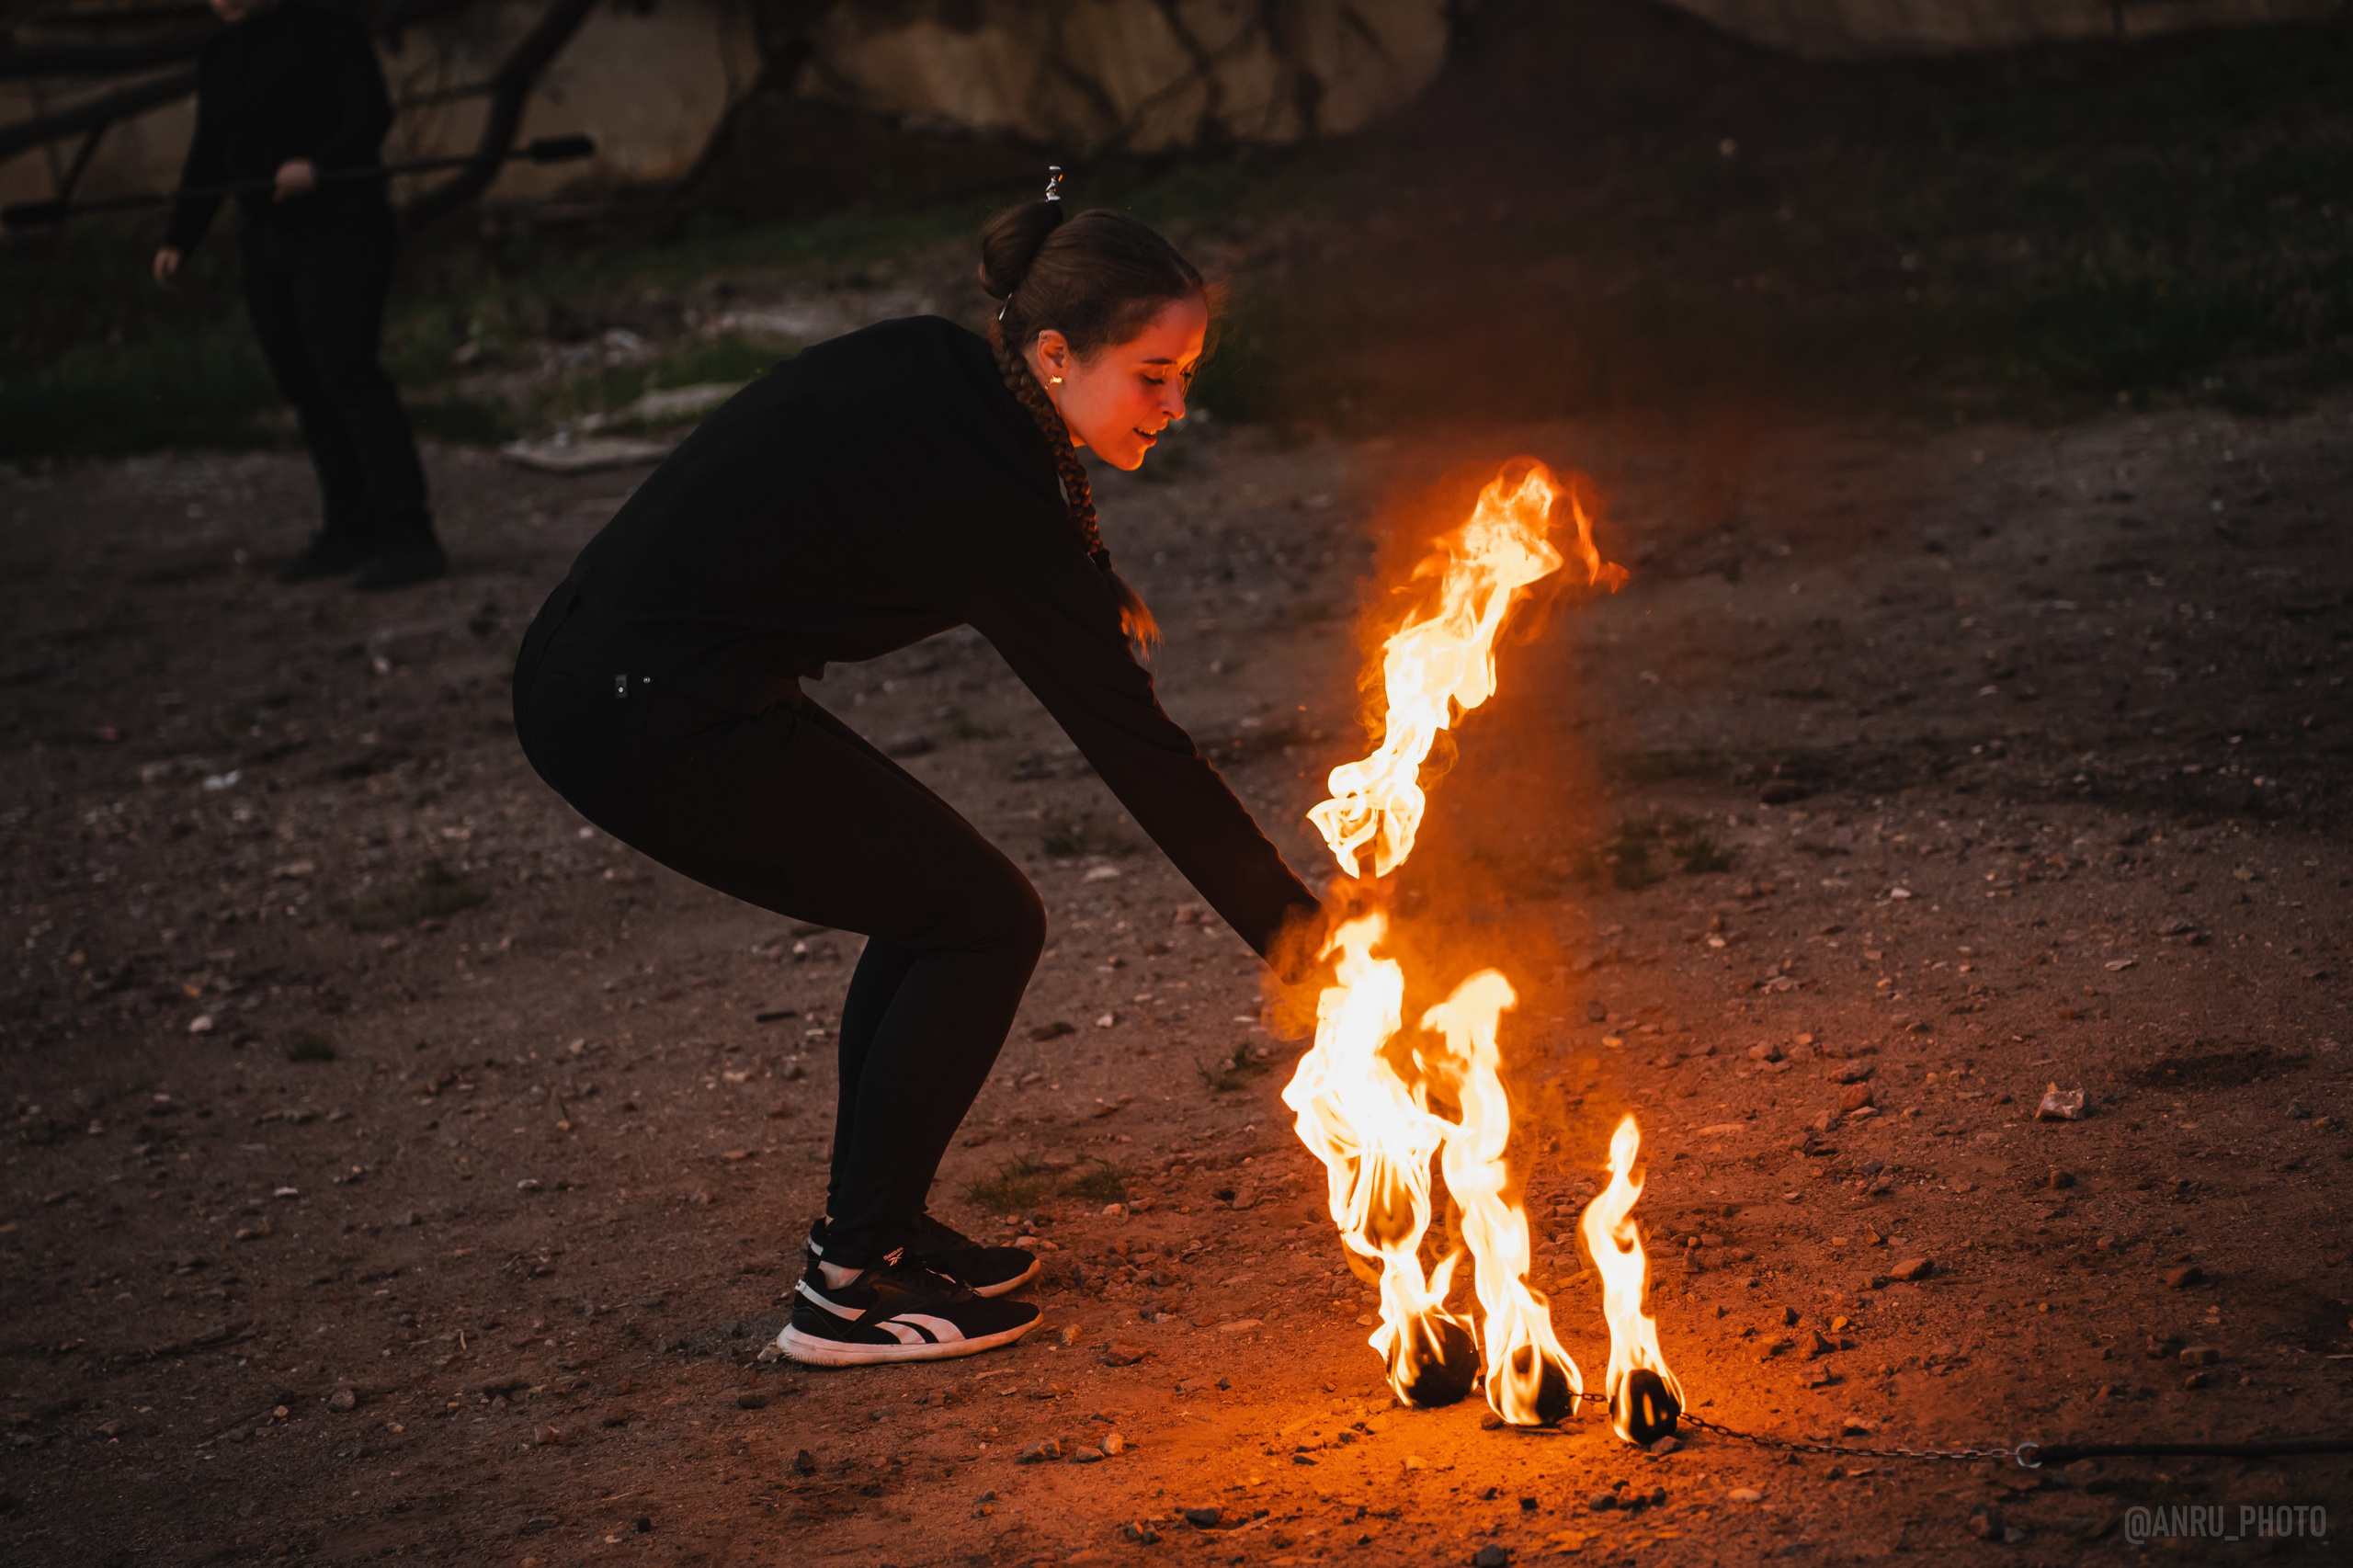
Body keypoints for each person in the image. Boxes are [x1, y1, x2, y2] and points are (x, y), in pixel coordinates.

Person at [511, 180, 1324, 1366]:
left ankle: (874, 1232)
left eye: (1186, 374)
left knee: (943, 903)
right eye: (1152, 374)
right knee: (978, 918)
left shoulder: (949, 379)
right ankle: (844, 1294)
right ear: (1055, 353)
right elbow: (1138, 750)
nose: (1176, 404)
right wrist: (1309, 949)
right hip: (637, 712)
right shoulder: (985, 489)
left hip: (640, 676)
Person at [153, 0, 444, 590]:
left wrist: (320, 165)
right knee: (304, 384)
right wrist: (181, 237)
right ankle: (349, 527)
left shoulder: (326, 29)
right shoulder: (222, 56)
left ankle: (409, 533)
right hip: (266, 238)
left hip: (340, 225)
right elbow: (209, 151)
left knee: (346, 373)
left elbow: (370, 112)